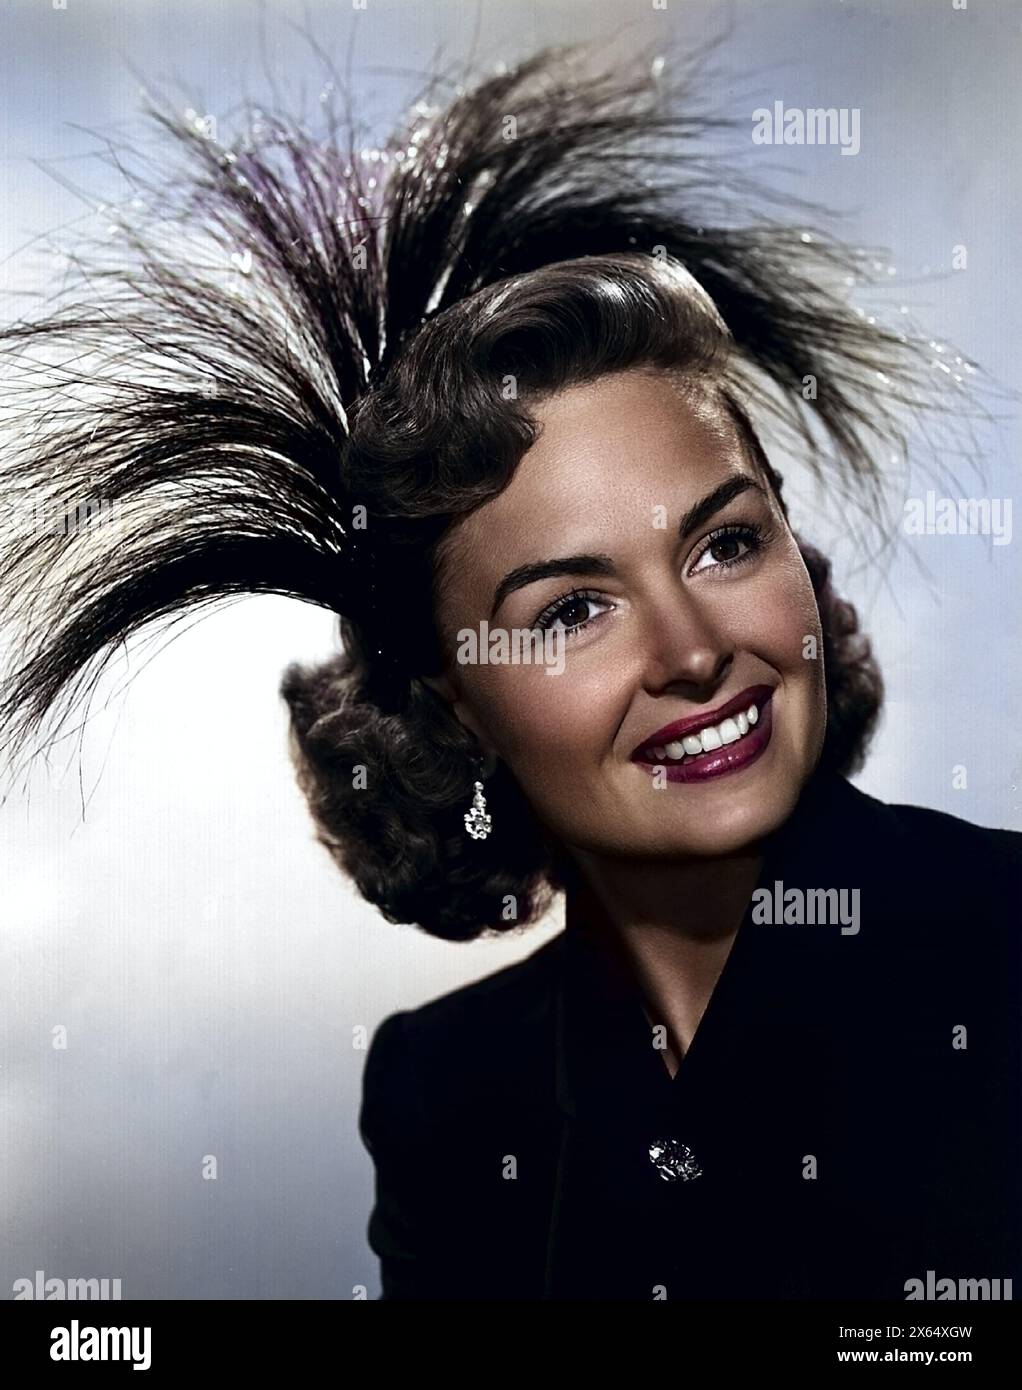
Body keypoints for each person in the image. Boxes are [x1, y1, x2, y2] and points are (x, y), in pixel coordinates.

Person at [1, 43, 1018, 1301]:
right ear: (450, 699)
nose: (695, 649)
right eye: (571, 609)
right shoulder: (444, 1089)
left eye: (725, 541)